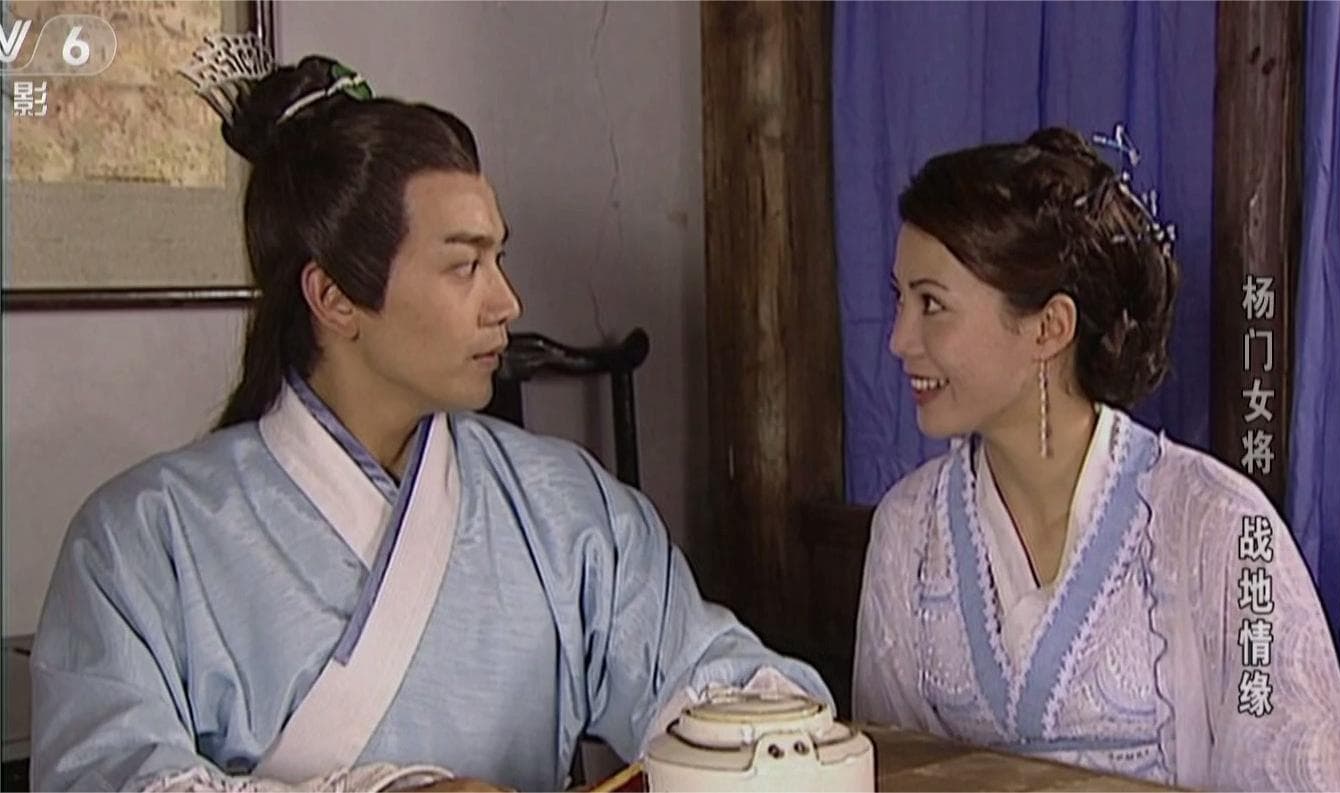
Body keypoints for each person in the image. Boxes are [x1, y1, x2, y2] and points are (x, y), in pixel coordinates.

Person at [30, 36, 829, 792]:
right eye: (463, 265)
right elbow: (108, 774)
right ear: (334, 296)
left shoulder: (563, 509)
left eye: (499, 257)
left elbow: (711, 678)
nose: (506, 302)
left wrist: (755, 731)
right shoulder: (142, 539)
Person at [851, 127, 1340, 791]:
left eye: (932, 305)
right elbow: (885, 770)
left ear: (1049, 327)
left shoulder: (1227, 529)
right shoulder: (908, 530)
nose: (899, 340)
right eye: (900, 299)